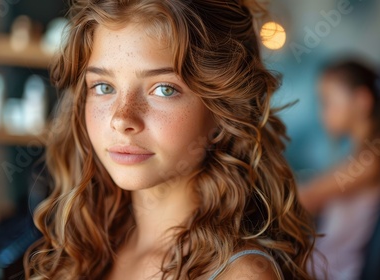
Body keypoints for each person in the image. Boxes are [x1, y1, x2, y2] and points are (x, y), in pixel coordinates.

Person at [24, 0, 316, 279]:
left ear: (222, 114)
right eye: (103, 86)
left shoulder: (241, 275)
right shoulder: (86, 247)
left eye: (164, 89)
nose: (122, 119)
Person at [299, 59, 380, 280]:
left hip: (330, 273)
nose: (323, 113)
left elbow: (306, 198)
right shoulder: (364, 157)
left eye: (327, 102)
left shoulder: (369, 161)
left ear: (362, 100)